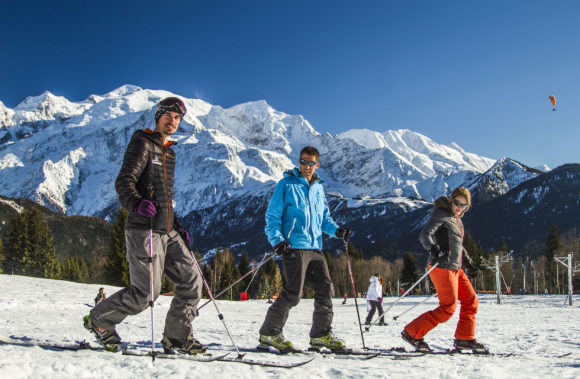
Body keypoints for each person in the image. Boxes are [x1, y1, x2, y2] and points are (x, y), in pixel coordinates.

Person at [83, 97, 204, 354]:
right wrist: (136, 204)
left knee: (192, 281)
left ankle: (177, 337)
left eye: (177, 118)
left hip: (167, 230)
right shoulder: (143, 143)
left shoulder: (168, 151)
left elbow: (165, 195)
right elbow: (124, 181)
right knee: (145, 294)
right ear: (158, 117)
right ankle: (99, 320)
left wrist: (177, 224)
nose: (172, 122)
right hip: (143, 229)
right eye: (168, 116)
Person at [258, 146, 351, 352]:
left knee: (326, 290)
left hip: (315, 247)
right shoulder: (286, 184)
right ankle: (269, 333)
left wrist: (337, 231)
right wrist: (278, 240)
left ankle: (321, 335)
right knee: (293, 293)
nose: (306, 166)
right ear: (299, 163)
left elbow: (324, 219)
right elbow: (272, 217)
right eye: (303, 162)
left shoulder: (318, 188)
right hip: (294, 247)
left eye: (310, 163)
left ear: (317, 165)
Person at [401, 187, 485, 352]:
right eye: (457, 202)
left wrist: (469, 264)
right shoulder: (441, 213)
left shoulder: (457, 220)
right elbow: (424, 235)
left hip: (456, 268)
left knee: (471, 300)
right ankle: (412, 333)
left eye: (464, 205)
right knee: (448, 308)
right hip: (442, 266)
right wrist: (435, 251)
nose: (459, 207)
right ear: (451, 199)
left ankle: (464, 339)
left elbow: (459, 246)